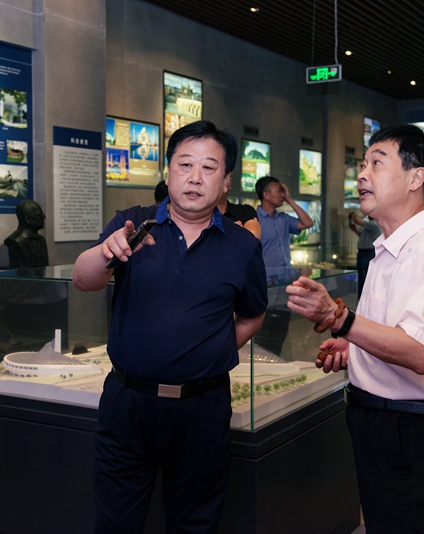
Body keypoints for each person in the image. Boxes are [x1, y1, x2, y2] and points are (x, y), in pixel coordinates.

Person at [73, 120, 267, 534]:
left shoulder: (243, 246)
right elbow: (83, 280)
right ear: (168, 170)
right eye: (185, 164)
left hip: (203, 408)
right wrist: (106, 253)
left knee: (195, 523)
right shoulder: (133, 224)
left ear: (226, 181)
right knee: (115, 522)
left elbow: (252, 315)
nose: (195, 177)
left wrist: (209, 349)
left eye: (209, 167)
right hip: (128, 402)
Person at [285, 124, 424, 534]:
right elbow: (398, 332)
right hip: (383, 421)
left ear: (415, 177)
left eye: (377, 163)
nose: (362, 175)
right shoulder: (390, 248)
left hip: (408, 429)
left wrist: (341, 319)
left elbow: (420, 354)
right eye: (362, 165)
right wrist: (354, 346)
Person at [255, 176, 313, 268]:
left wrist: (290, 200)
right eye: (279, 191)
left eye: (283, 191)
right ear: (266, 195)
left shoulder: (283, 218)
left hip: (285, 274)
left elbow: (308, 223)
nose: (283, 195)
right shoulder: (254, 219)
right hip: (265, 275)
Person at [4, 200, 49, 268]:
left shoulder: (41, 240)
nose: (43, 217)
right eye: (39, 215)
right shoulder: (14, 241)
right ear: (27, 219)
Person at [348, 210, 381, 298]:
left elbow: (356, 220)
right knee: (360, 278)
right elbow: (364, 237)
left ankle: (365, 298)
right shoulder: (370, 225)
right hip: (363, 253)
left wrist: (353, 213)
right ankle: (360, 298)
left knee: (365, 278)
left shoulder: (375, 224)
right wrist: (355, 230)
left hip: (369, 253)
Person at [217, 175, 260, 239]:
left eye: (223, 178)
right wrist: (232, 231)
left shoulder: (245, 211)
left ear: (229, 182)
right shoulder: (201, 214)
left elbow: (252, 240)